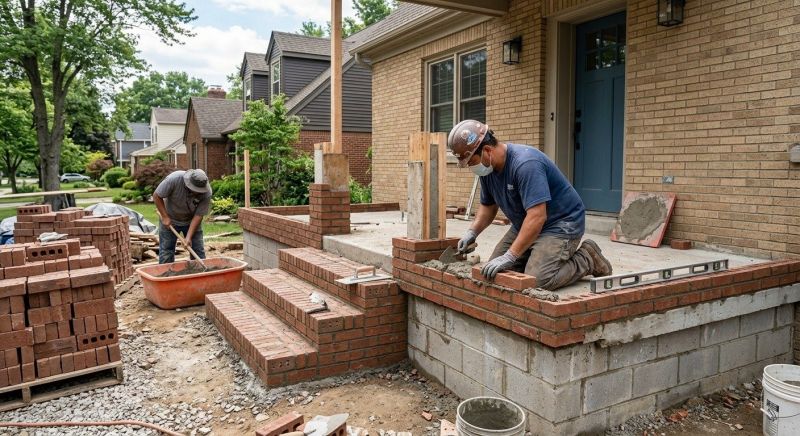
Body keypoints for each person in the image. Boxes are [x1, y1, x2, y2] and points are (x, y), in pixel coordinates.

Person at [448, 120, 612, 291]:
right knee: (493, 272)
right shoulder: (488, 168)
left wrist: (512, 255)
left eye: (471, 162)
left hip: (560, 224)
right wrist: (472, 233)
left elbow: (538, 216)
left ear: (487, 150)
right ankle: (534, 257)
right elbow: (488, 207)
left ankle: (587, 258)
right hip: (525, 223)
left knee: (538, 281)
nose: (470, 167)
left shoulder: (525, 164)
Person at [153, 169, 212, 264]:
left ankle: (199, 275)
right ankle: (167, 276)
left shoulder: (206, 192)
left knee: (198, 250)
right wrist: (165, 217)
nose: (197, 193)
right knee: (166, 252)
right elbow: (157, 195)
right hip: (170, 218)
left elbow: (198, 215)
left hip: (191, 221)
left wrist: (188, 237)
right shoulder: (174, 179)